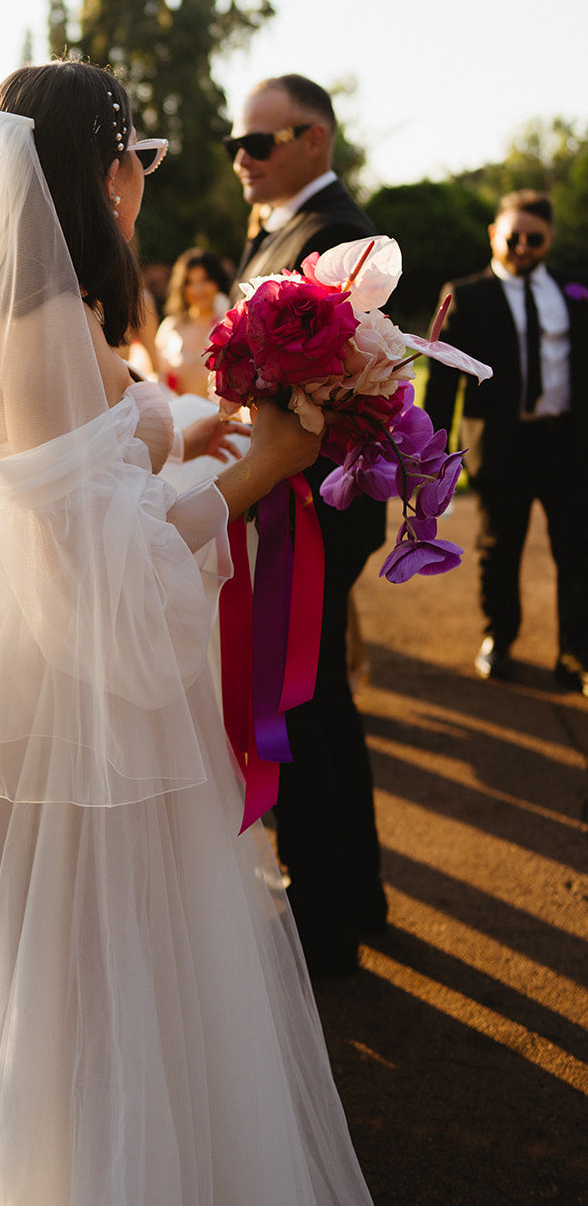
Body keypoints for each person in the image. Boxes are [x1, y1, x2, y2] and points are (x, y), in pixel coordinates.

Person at [0, 61, 387, 1206]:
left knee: (93, 1003)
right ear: (100, 172)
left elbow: (88, 438)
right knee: (103, 1001)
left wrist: (186, 419)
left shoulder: (41, 313)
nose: (137, 189)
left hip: (58, 715)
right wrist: (259, 469)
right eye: (133, 165)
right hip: (86, 736)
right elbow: (100, 579)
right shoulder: (36, 325)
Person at [224, 73, 388, 978]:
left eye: (258, 142)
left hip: (312, 503)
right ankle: (353, 892)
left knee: (300, 706)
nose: (240, 160)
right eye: (234, 145)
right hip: (292, 494)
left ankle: (328, 920)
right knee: (317, 699)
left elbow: (326, 390)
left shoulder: (334, 239)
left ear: (314, 138)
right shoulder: (286, 229)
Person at [423, 190, 588, 691]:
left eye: (532, 238)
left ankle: (576, 652)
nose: (520, 246)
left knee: (578, 550)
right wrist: (432, 451)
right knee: (500, 548)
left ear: (548, 240)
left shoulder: (575, 288)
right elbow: (445, 377)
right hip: (502, 444)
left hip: (568, 443)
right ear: (494, 234)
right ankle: (500, 635)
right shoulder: (467, 295)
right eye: (511, 236)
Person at [155, 249, 232, 396]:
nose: (198, 290)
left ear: (217, 282)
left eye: (205, 281)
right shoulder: (170, 327)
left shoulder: (229, 326)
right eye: (191, 283)